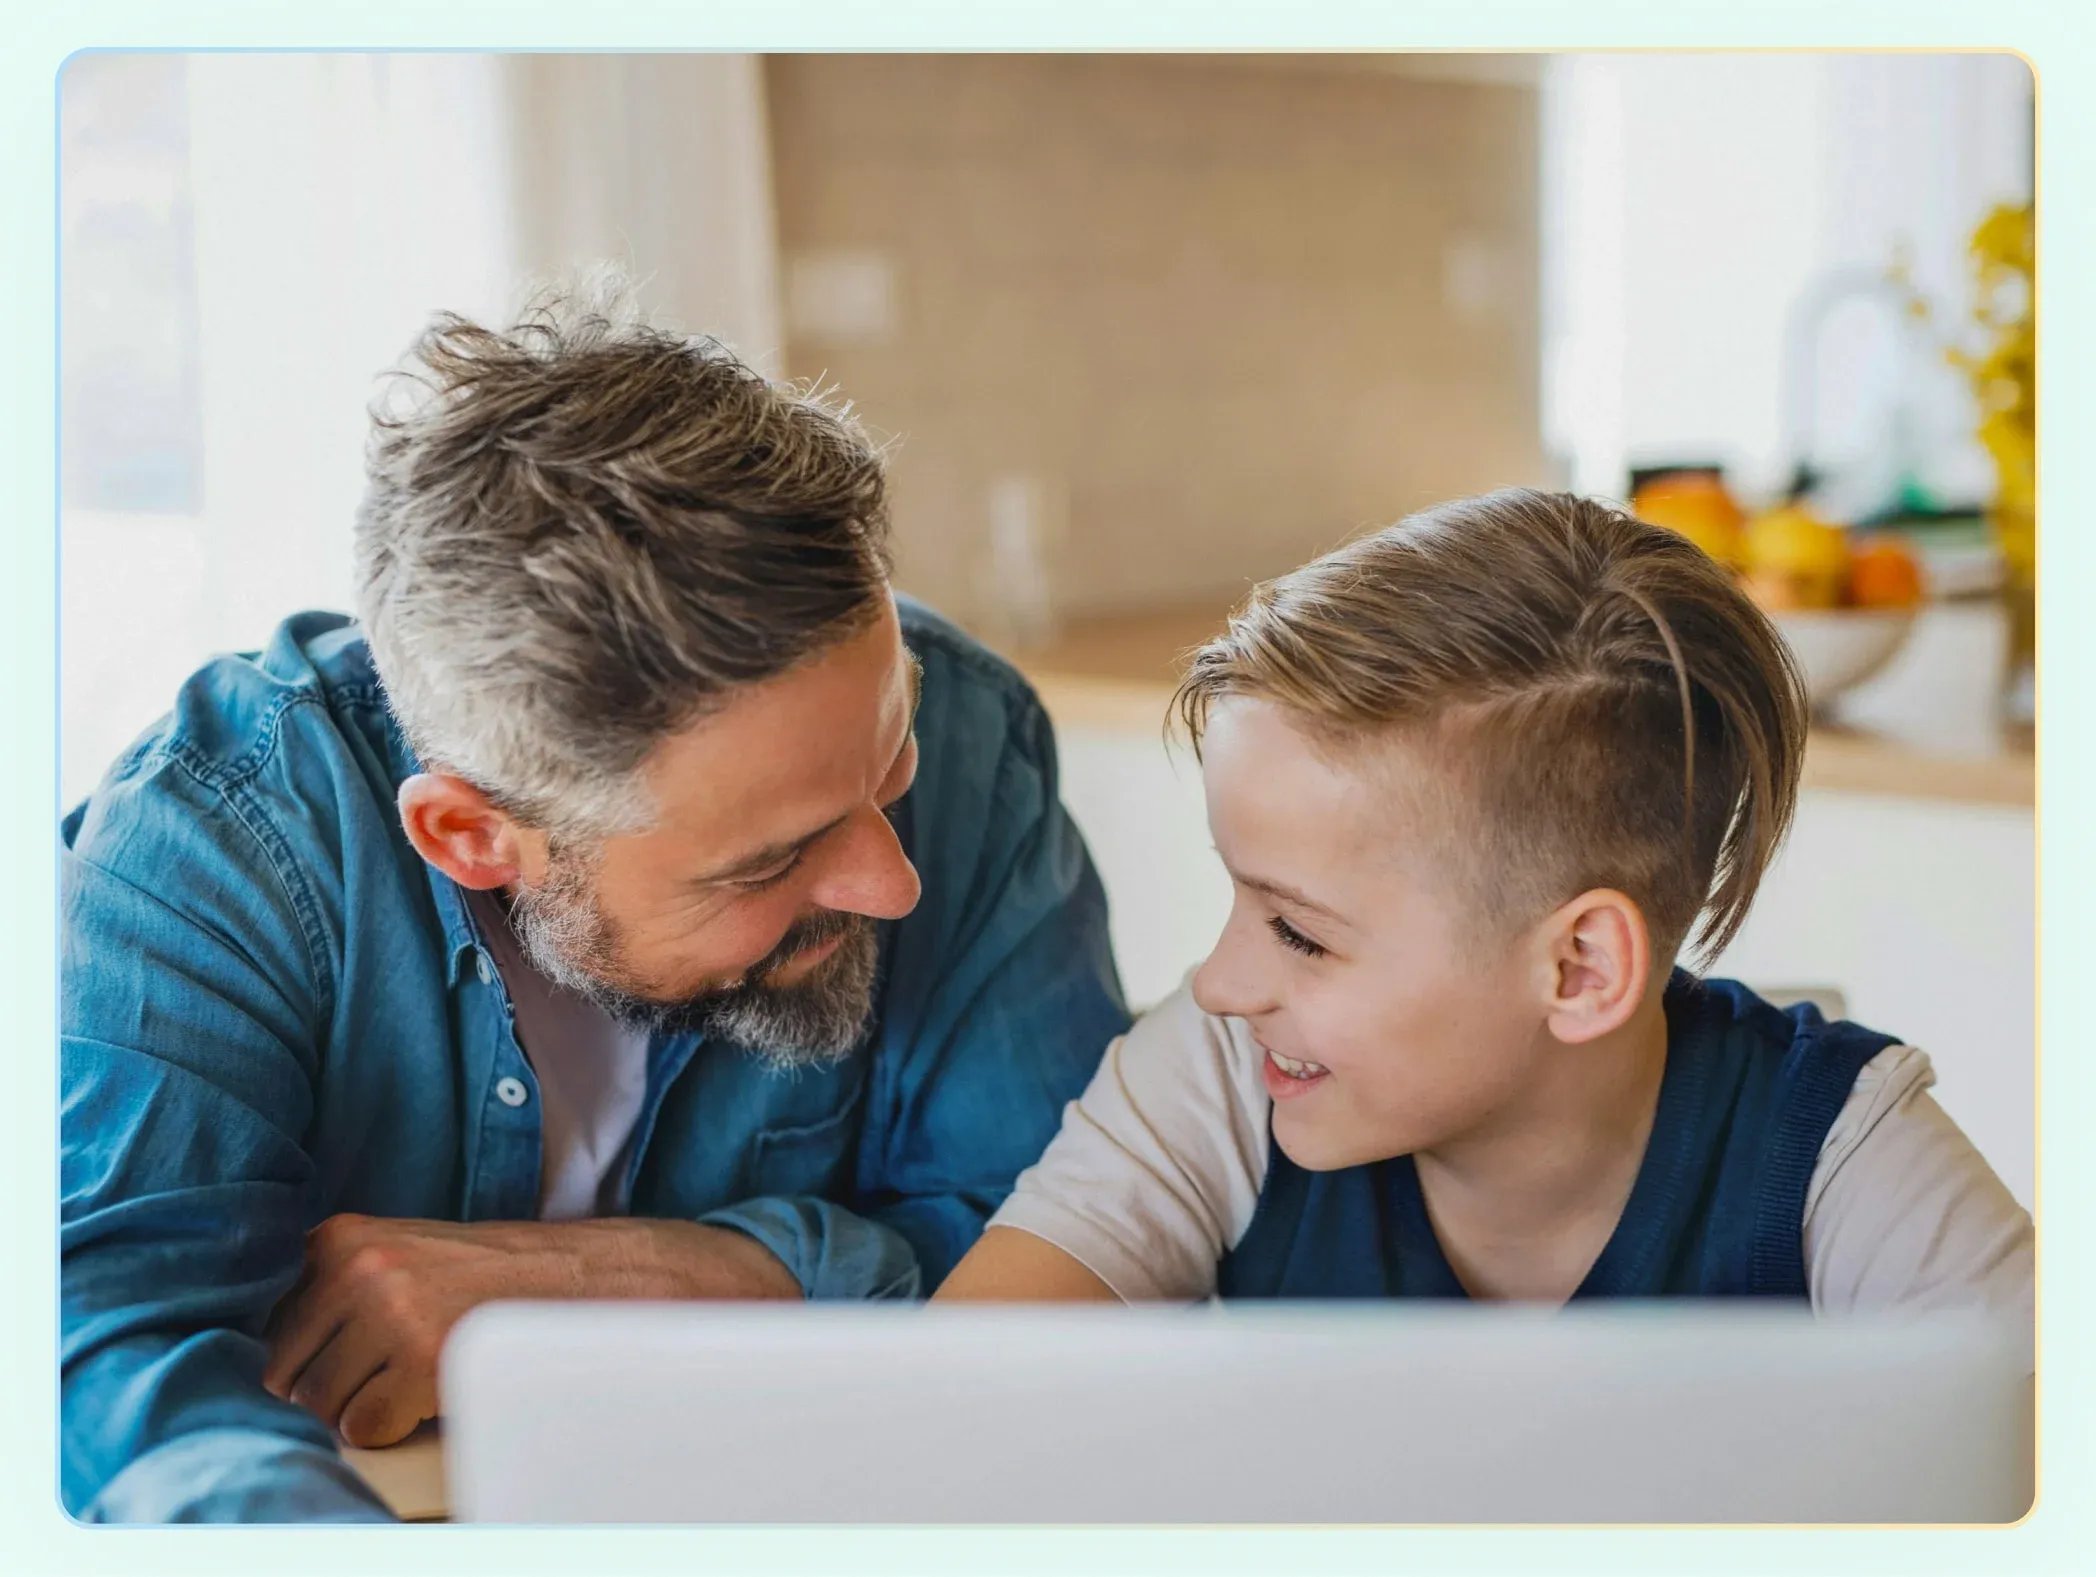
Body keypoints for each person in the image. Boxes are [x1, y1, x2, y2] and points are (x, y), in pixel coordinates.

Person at [60, 279, 1128, 1522]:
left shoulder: (969, 725)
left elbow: (1082, 1239)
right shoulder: (218, 841)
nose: (892, 881)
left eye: (885, 765)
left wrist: (632, 1277)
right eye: (769, 859)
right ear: (472, 835)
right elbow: (99, 1345)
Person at [937, 489, 2031, 1338]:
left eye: (1299, 932)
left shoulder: (1840, 1153)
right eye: (1240, 896)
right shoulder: (1220, 1073)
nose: (1219, 983)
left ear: (1579, 968)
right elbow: (946, 1416)